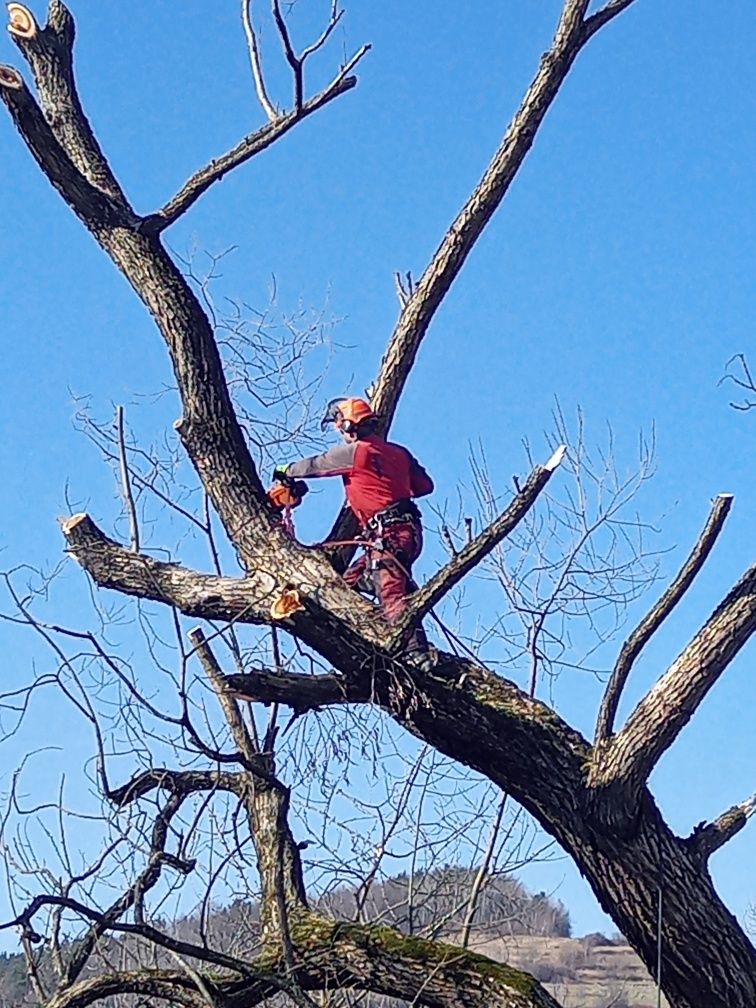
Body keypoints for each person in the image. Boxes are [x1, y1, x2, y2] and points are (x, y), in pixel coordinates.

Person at [276, 397, 434, 664]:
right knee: (347, 583)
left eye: (340, 425)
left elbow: (316, 465)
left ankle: (416, 655)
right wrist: (387, 479)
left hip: (389, 535)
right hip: (407, 532)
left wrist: (285, 470)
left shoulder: (356, 452)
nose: (340, 431)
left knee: (391, 591)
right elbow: (424, 486)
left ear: (349, 424)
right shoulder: (400, 452)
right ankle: (386, 619)